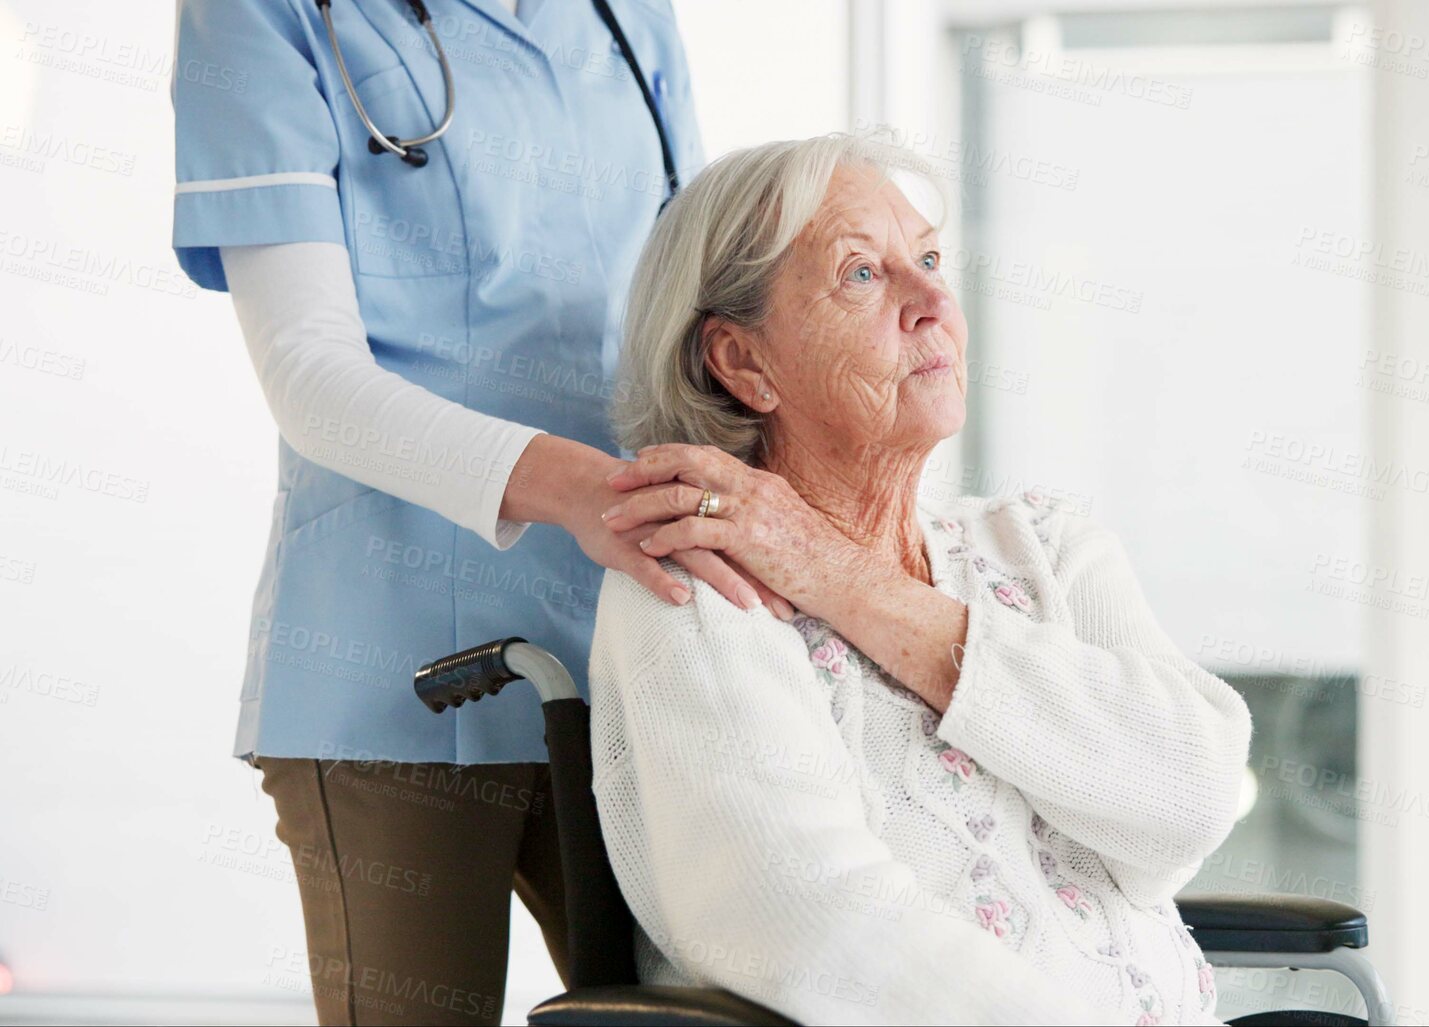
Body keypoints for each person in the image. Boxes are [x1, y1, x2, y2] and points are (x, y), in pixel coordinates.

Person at [171, 3, 784, 1023]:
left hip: (632, 655)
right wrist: (583, 489)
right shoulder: (266, 15)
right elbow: (310, 375)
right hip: (391, 674)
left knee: (702, 1012)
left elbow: (693, 307)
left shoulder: (626, 17)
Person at [587, 134, 1254, 1025]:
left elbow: (1194, 797)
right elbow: (812, 921)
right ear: (742, 364)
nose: (933, 300)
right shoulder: (701, 585)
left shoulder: (1043, 545)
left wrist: (838, 574)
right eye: (862, 274)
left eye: (930, 259)